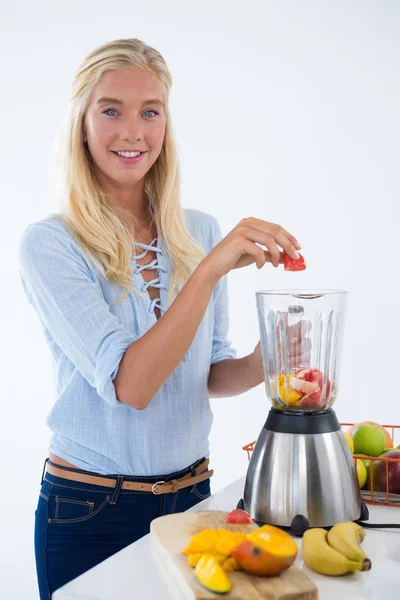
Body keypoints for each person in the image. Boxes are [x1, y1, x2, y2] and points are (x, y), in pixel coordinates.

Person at [17, 38, 302, 599]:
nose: (133, 132)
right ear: (81, 123)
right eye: (111, 111)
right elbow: (134, 384)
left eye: (151, 112)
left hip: (195, 500)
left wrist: (264, 360)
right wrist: (211, 271)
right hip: (90, 512)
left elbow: (206, 371)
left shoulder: (197, 231)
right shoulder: (50, 245)